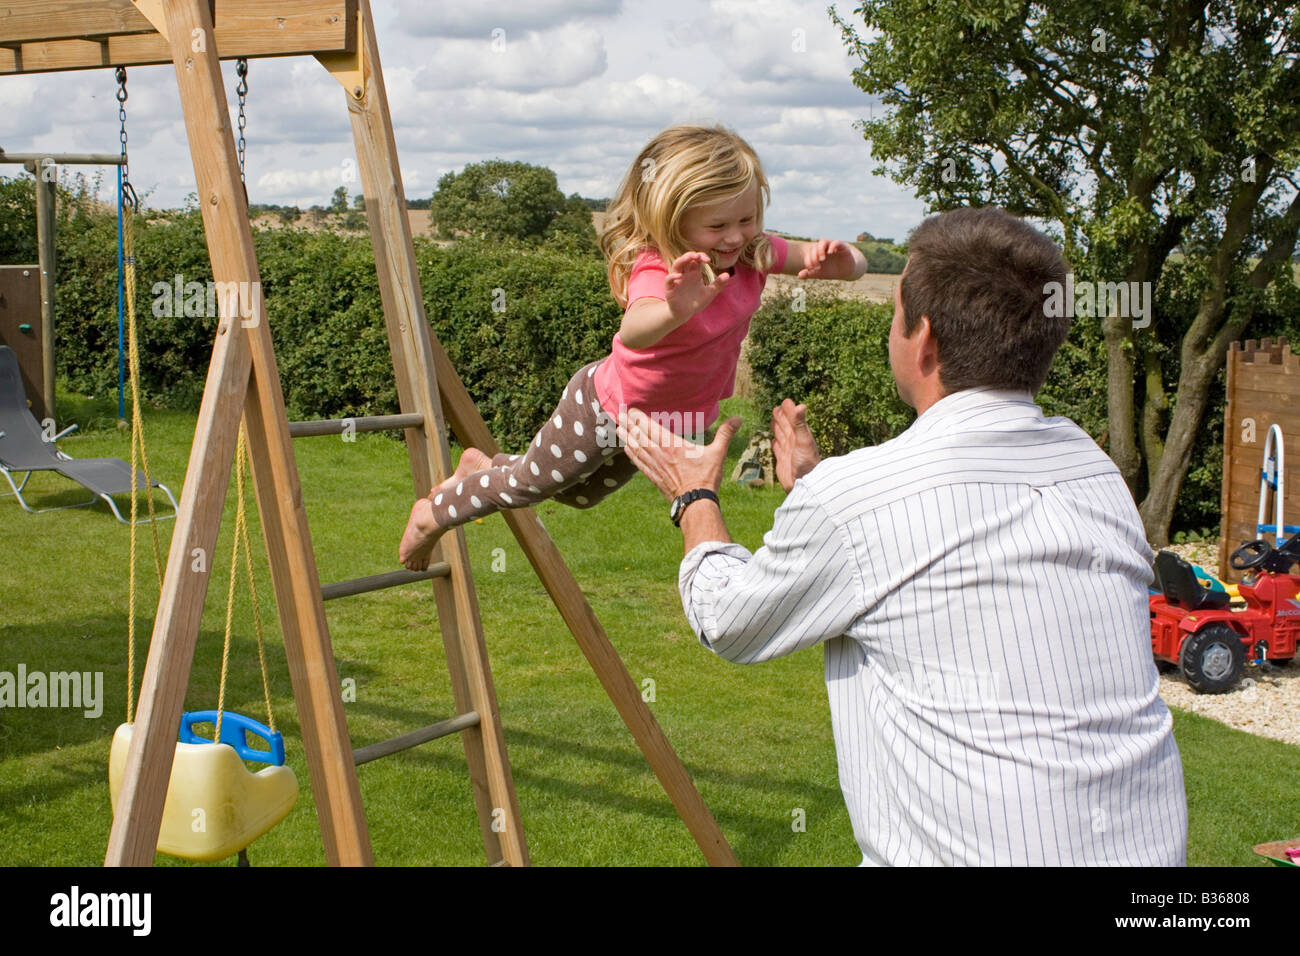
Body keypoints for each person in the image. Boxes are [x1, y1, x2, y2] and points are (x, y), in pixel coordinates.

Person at [617, 206, 1188, 866]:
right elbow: (950, 561)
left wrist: (694, 498)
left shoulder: (861, 500)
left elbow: (730, 620)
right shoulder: (1092, 470)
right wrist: (818, 488)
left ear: (924, 343)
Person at [399, 125, 868, 570]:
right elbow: (635, 330)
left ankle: (482, 468)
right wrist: (674, 309)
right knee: (527, 486)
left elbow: (832, 262)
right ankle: (433, 514)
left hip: (666, 422)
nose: (734, 236)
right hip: (607, 407)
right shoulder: (660, 266)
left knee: (580, 496)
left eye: (747, 218)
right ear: (673, 220)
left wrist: (845, 261)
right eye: (717, 225)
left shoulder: (754, 253)